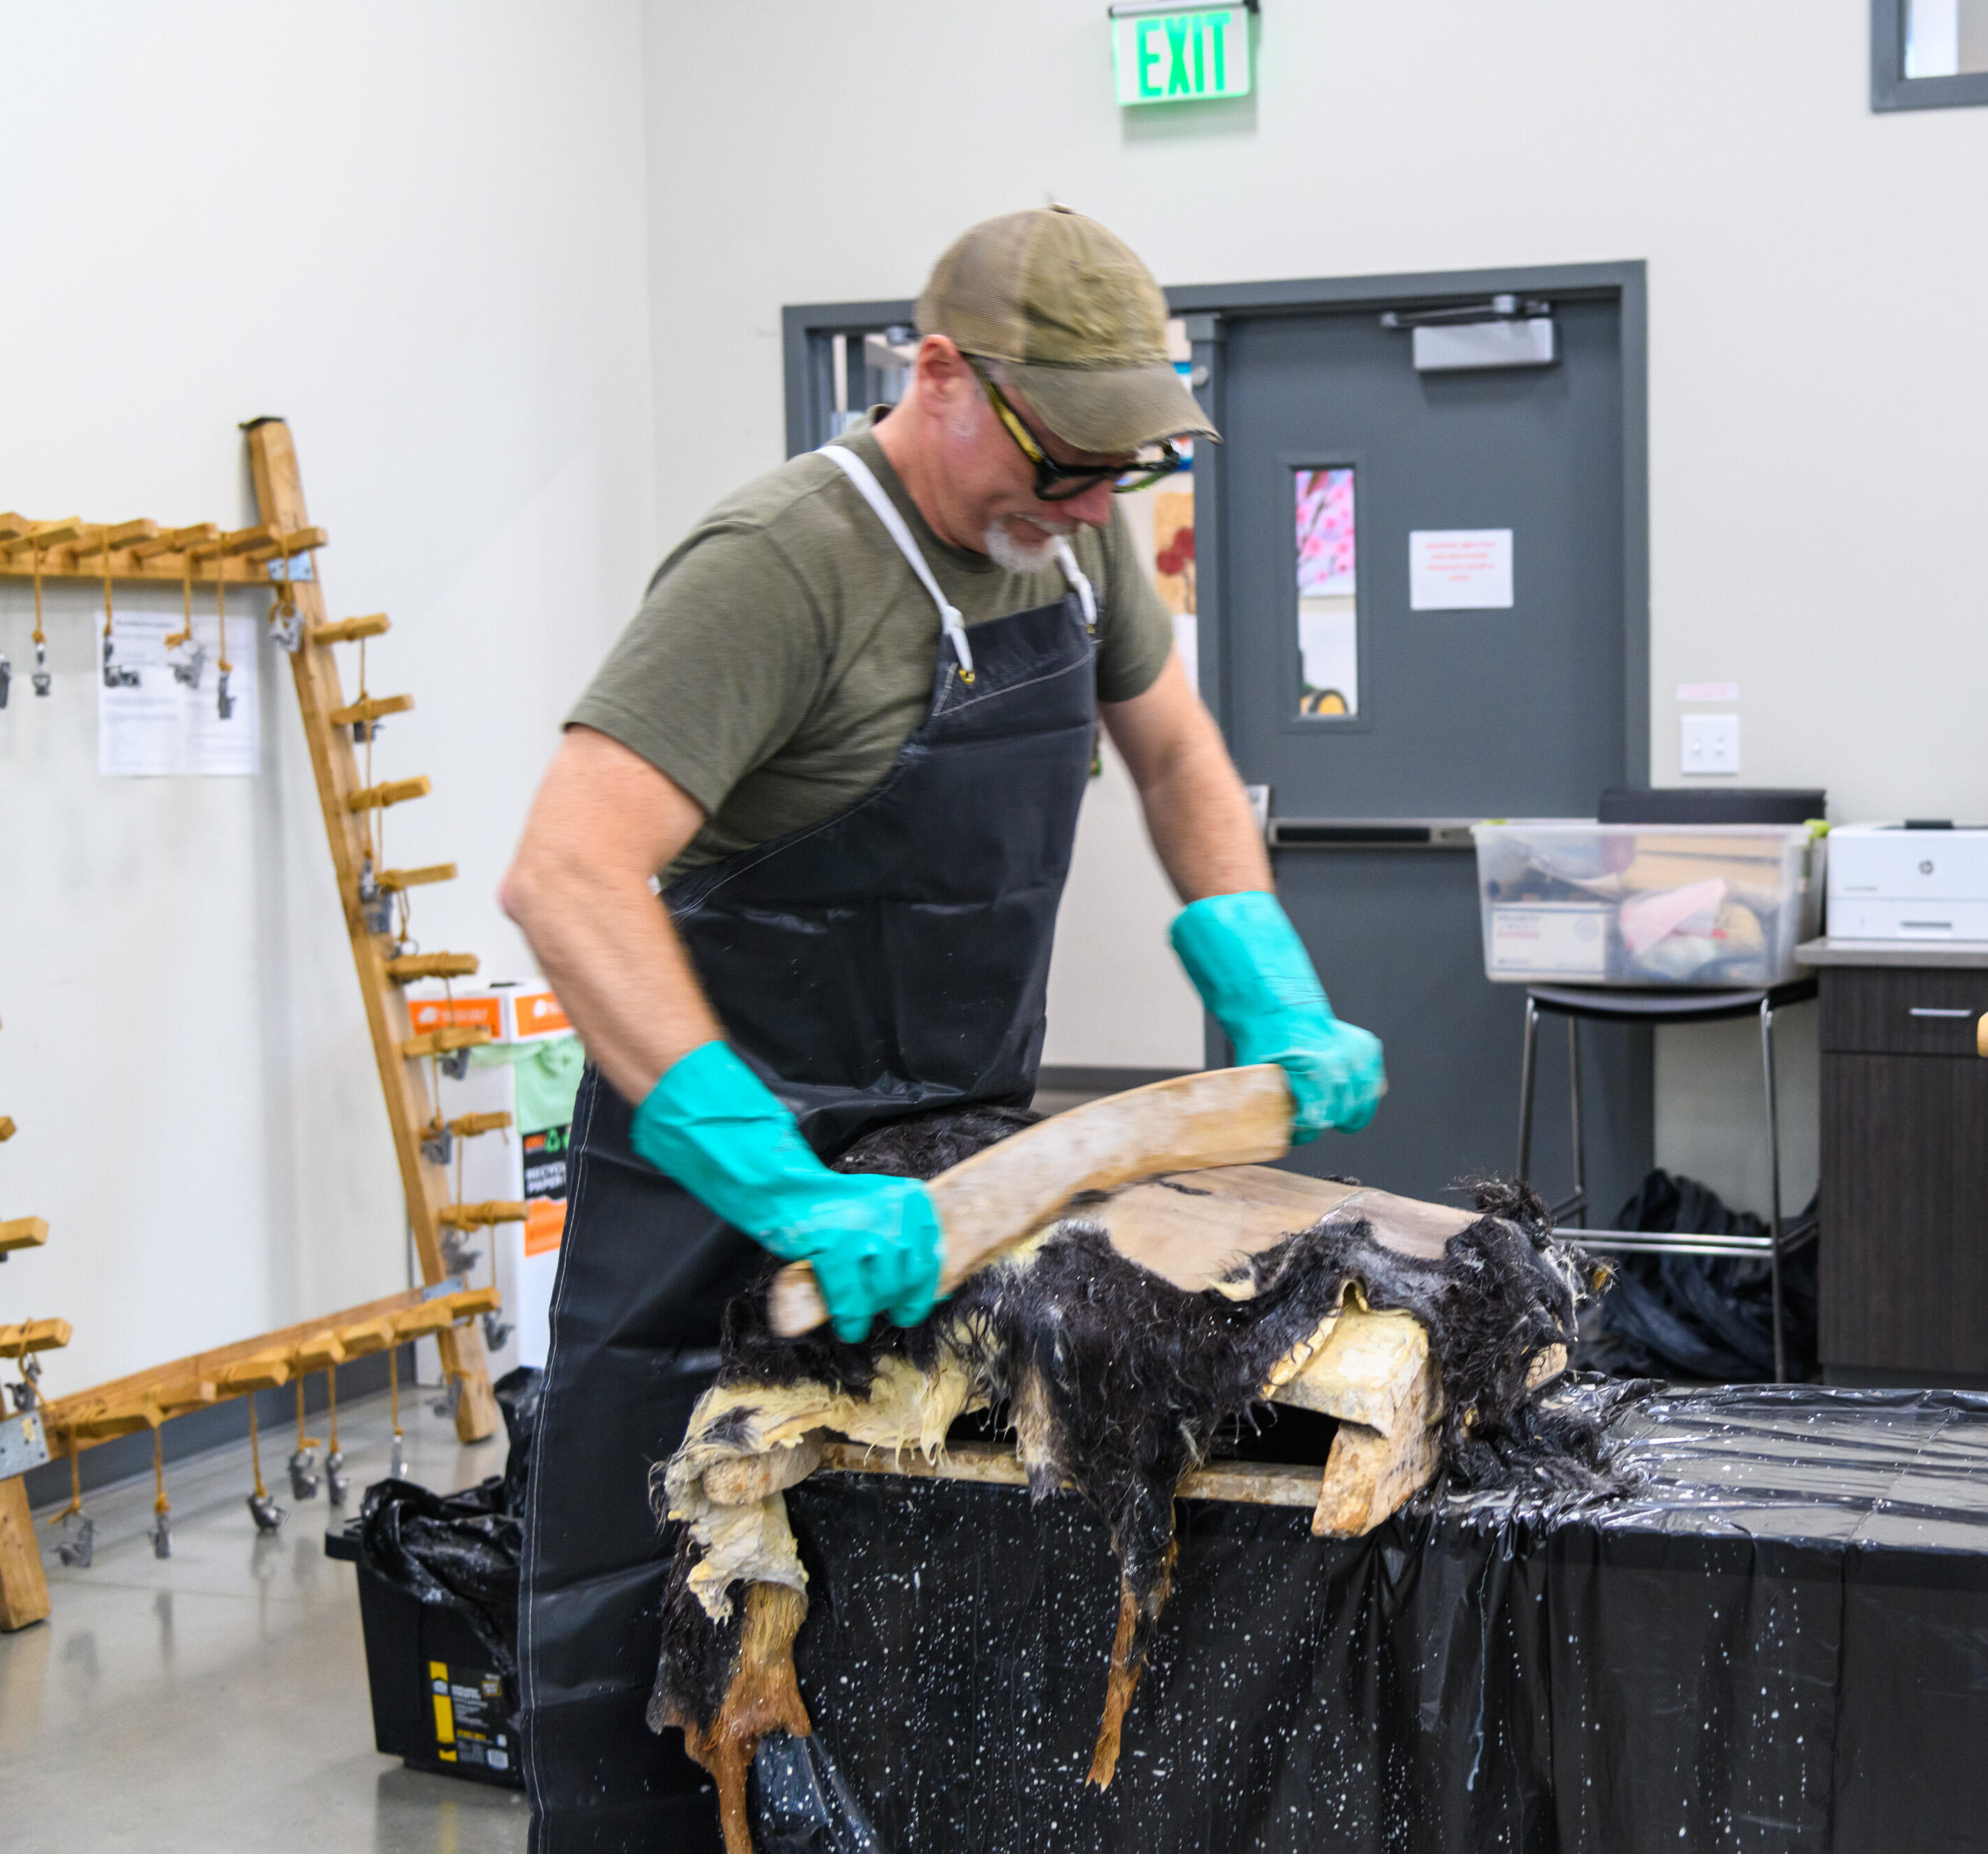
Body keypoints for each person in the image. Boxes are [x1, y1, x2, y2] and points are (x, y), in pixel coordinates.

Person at [498, 205, 1383, 1853]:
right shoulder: (779, 565)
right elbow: (565, 872)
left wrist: (1266, 973)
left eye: (1117, 474)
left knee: (912, 1615)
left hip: (947, 1186)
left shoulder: (1075, 533)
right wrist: (770, 1174)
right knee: (663, 1640)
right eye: (1060, 466)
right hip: (716, 1208)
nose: (1088, 506)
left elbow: (1176, 756)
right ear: (939, 377)